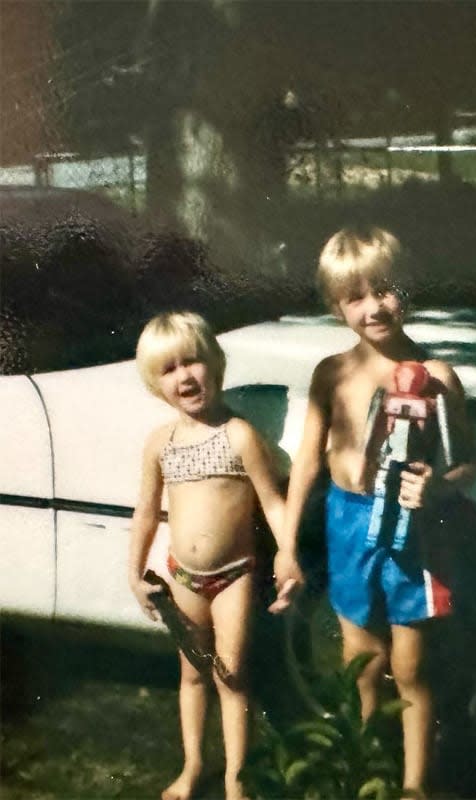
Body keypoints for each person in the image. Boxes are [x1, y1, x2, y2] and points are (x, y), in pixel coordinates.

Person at [278, 227, 476, 800]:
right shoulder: (332, 374)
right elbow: (308, 466)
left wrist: (438, 486)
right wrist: (289, 545)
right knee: (361, 664)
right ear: (335, 306)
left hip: (412, 534)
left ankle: (416, 782)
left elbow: (469, 460)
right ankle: (367, 768)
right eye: (356, 297)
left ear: (405, 289)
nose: (374, 307)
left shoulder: (436, 376)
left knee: (412, 667)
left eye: (385, 290)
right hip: (348, 526)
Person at [129, 311, 301, 800]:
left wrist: (288, 553)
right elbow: (146, 514)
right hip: (183, 579)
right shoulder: (159, 444)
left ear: (215, 363)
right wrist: (134, 572)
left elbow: (272, 502)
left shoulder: (239, 435)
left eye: (193, 362)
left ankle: (235, 780)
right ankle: (193, 767)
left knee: (233, 675)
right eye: (169, 369)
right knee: (191, 674)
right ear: (154, 383)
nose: (184, 376)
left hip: (234, 577)